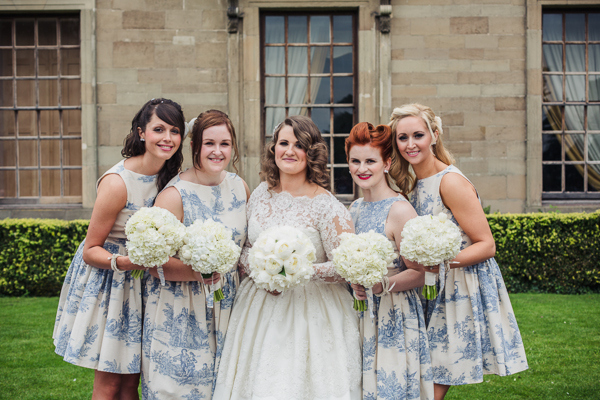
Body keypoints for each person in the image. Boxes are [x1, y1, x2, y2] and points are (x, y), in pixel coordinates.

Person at [213, 115, 361, 400]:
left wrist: (296, 272)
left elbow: (346, 267)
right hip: (257, 306)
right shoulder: (259, 194)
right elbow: (244, 248)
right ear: (274, 149)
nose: (289, 151)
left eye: (299, 145)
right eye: (283, 143)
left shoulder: (326, 206)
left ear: (312, 153)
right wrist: (260, 268)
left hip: (311, 312)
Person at [388, 103, 528, 400]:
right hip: (427, 287)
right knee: (422, 375)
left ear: (434, 135)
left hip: (457, 288)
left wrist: (440, 264)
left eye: (418, 135)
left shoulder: (450, 181)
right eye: (403, 138)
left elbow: (486, 244)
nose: (410, 144)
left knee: (434, 382)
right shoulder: (412, 183)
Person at [53, 98, 185, 399]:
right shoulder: (117, 182)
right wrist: (128, 262)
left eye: (174, 131)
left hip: (150, 287)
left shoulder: (173, 178)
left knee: (132, 384)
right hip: (113, 284)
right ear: (141, 133)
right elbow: (90, 250)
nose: (167, 138)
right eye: (159, 129)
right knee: (111, 383)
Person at [141, 110, 249, 399]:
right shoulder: (174, 195)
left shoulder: (240, 187)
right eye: (209, 144)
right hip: (182, 308)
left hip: (230, 306)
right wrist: (198, 271)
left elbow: (247, 248)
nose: (217, 151)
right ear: (195, 147)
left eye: (224, 144)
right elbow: (153, 263)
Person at [346, 122, 433, 400]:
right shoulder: (354, 208)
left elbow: (420, 272)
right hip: (359, 313)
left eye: (370, 161)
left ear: (387, 163)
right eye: (355, 161)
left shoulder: (399, 210)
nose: (362, 168)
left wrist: (381, 286)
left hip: (393, 315)